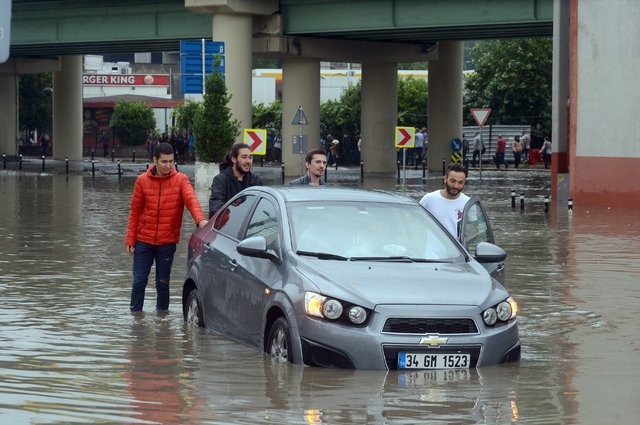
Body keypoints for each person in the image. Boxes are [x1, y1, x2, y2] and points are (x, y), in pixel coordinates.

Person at [125, 142, 208, 312]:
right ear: (155, 160)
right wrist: (130, 239)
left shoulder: (181, 180)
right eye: (164, 162)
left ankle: (162, 321)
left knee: (163, 283)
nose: (168, 165)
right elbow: (135, 212)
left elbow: (191, 201)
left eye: (171, 161)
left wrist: (200, 221)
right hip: (143, 240)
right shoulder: (142, 181)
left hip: (167, 241)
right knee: (139, 281)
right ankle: (136, 319)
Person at [208, 143, 263, 218]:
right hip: (227, 226)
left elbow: (260, 210)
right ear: (234, 159)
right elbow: (215, 209)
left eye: (250, 157)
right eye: (244, 157)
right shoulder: (220, 180)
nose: (248, 161)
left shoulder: (256, 181)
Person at [419, 163, 470, 238]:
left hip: (456, 249)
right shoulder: (429, 199)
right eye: (452, 181)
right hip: (432, 249)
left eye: (460, 183)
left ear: (464, 183)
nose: (456, 186)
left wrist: (463, 239)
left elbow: (475, 229)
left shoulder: (468, 203)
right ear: (445, 179)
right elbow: (415, 222)